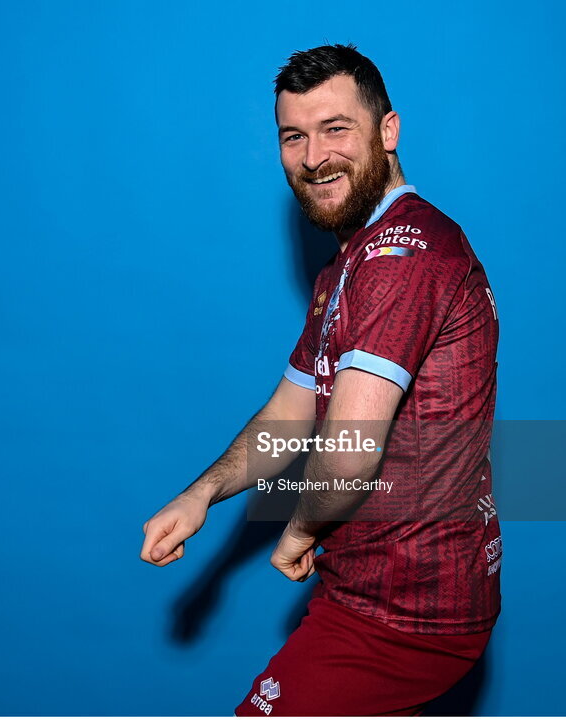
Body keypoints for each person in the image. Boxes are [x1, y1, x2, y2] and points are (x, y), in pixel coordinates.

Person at [140, 43, 501, 716]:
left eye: (335, 129)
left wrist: (300, 531)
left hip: (408, 613)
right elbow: (293, 409)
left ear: (386, 132)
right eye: (293, 137)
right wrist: (202, 496)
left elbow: (349, 449)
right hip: (364, 591)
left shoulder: (403, 255)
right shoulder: (350, 262)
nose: (313, 158)